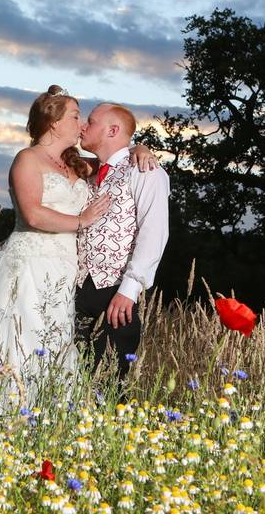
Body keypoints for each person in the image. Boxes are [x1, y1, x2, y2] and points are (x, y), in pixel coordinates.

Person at [0, 87, 154, 414]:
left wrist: (140, 146)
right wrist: (81, 220)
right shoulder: (27, 159)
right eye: (75, 116)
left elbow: (115, 156)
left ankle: (39, 413)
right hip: (29, 263)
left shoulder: (76, 165)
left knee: (51, 343)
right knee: (12, 338)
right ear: (53, 123)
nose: (82, 124)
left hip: (65, 270)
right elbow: (33, 214)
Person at [75, 102, 170, 380]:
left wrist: (129, 289)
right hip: (78, 288)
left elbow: (154, 232)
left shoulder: (146, 171)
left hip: (116, 292)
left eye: (90, 122)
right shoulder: (92, 172)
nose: (83, 126)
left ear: (112, 129)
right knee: (72, 378)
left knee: (111, 380)